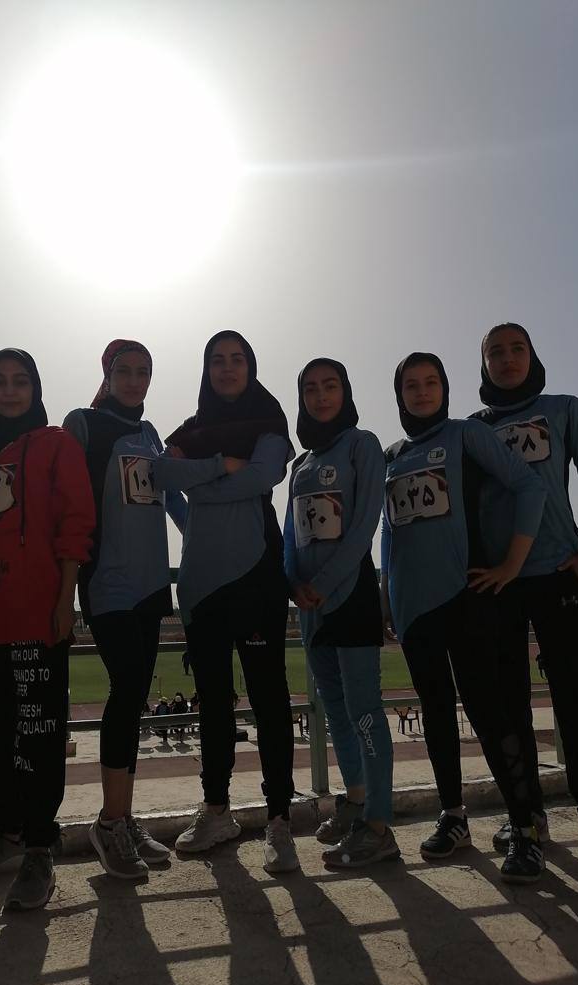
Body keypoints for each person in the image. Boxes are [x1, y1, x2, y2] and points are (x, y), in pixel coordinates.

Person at [380, 352, 549, 883]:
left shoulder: (466, 435)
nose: (421, 391)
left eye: (431, 382)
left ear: (446, 388)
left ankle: (524, 828)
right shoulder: (391, 454)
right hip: (413, 608)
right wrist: (388, 597)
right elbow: (389, 532)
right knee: (435, 713)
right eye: (411, 385)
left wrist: (512, 564)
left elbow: (530, 486)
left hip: (467, 597)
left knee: (489, 714)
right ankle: (453, 817)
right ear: (399, 395)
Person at [64, 339, 224, 879]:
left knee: (134, 700)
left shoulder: (151, 434)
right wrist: (66, 580)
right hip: (107, 582)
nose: (135, 381)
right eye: (125, 371)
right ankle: (109, 823)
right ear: (107, 374)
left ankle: (124, 818)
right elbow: (68, 503)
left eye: (144, 372)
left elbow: (171, 497)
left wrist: (205, 539)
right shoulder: (83, 424)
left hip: (153, 584)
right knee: (127, 686)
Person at [0, 350, 95, 910]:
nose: (9, 391)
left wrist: (66, 599)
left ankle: (38, 848)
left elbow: (76, 522)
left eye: (20, 381)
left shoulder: (58, 444)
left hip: (39, 615)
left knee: (38, 735)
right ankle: (6, 836)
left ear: (35, 388)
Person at [471, 322, 578, 871]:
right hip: (497, 586)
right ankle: (526, 819)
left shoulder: (565, 409)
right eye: (495, 352)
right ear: (483, 364)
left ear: (532, 355)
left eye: (517, 349)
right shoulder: (473, 429)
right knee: (509, 708)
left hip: (558, 574)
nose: (507, 359)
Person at [165, 330, 299, 873]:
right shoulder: (191, 428)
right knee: (213, 703)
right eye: (217, 360)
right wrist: (223, 466)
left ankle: (279, 820)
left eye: (236, 359)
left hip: (256, 576)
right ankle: (216, 810)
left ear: (251, 366)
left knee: (269, 700)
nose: (226, 368)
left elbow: (265, 475)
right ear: (206, 369)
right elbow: (163, 474)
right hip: (200, 583)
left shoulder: (269, 421)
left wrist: (199, 482)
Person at [284, 359, 398, 868]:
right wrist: (293, 584)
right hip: (310, 606)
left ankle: (379, 827)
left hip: (349, 598)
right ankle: (355, 801)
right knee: (334, 710)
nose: (321, 396)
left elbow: (364, 526)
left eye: (331, 386)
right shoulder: (299, 464)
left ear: (346, 392)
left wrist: (324, 585)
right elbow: (291, 533)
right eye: (311, 388)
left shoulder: (362, 445)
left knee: (365, 711)